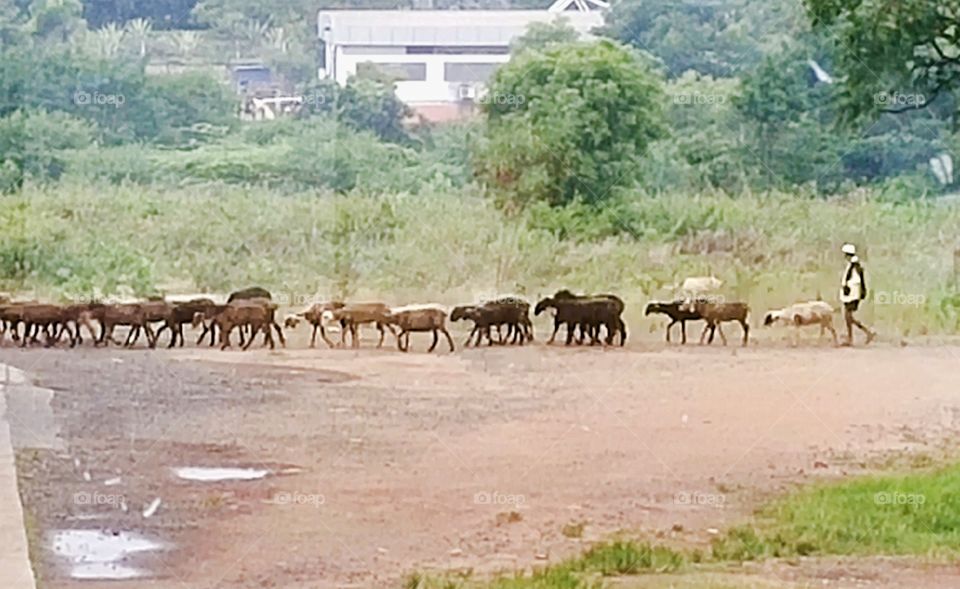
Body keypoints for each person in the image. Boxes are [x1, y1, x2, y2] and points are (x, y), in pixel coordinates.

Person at [839, 243, 875, 346]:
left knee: (848, 316)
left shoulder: (854, 267)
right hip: (851, 294)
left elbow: (857, 282)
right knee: (848, 317)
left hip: (852, 295)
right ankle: (858, 335)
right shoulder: (852, 265)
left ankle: (864, 333)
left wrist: (849, 290)